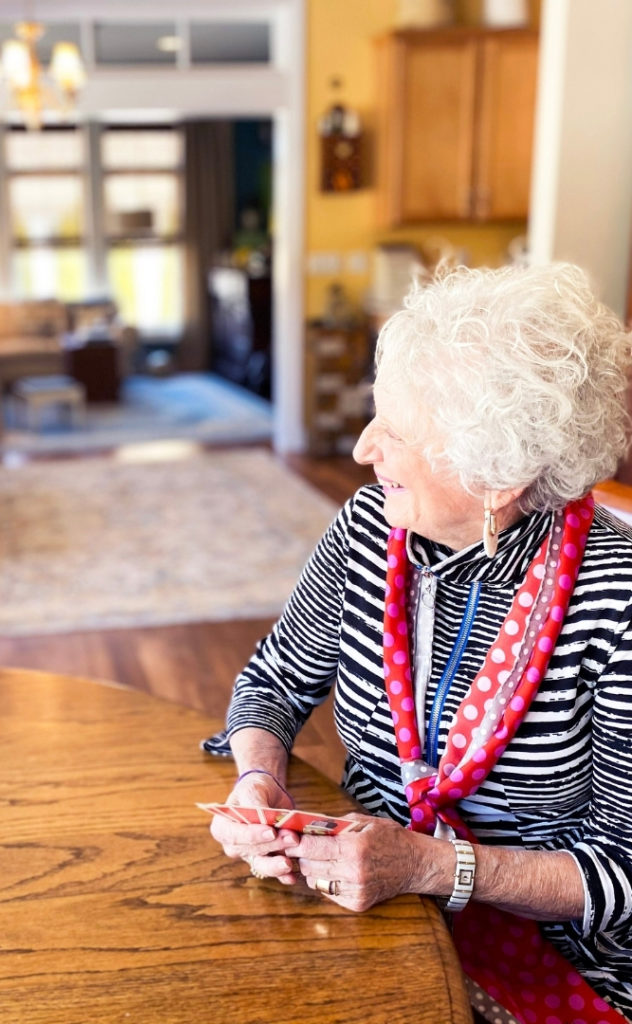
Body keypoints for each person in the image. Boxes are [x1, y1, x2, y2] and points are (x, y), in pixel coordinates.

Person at [204, 262, 632, 1022]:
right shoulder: (372, 526)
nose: (364, 449)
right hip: (358, 895)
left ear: (496, 475)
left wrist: (434, 868)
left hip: (552, 951)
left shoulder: (617, 600)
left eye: (394, 432)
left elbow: (623, 873)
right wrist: (257, 781)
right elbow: (271, 684)